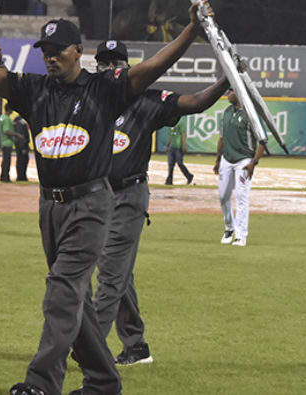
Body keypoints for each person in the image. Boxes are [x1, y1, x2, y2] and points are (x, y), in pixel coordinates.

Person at [0, 1, 212, 394]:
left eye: (57, 51)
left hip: (91, 205)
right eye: (45, 52)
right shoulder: (33, 91)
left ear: (78, 53)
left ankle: (41, 383)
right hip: (49, 208)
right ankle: (104, 382)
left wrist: (191, 30)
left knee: (61, 291)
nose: (50, 58)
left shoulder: (105, 90)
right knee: (77, 302)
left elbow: (153, 66)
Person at [89, 39, 231, 370]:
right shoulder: (90, 99)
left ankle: (89, 351)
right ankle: (135, 345)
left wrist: (226, 80)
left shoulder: (146, 101)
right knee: (119, 273)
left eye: (116, 63)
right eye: (103, 63)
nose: (109, 69)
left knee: (109, 274)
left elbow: (195, 102)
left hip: (128, 197)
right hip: (98, 197)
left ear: (126, 67)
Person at [214, 88, 266, 247]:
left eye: (230, 91)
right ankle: (229, 228)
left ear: (239, 93)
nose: (227, 94)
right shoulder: (226, 112)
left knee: (241, 198)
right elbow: (222, 138)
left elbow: (263, 142)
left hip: (244, 160)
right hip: (226, 159)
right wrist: (217, 160)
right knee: (223, 196)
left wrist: (254, 163)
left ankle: (241, 235)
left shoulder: (252, 115)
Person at [164, 117, 194, 185]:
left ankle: (189, 176)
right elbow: (170, 135)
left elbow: (183, 134)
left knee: (180, 163)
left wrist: (184, 145)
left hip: (178, 146)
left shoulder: (181, 122)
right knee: (170, 164)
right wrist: (168, 145)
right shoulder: (170, 124)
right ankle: (169, 180)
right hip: (172, 146)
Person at [0, 104, 23, 182]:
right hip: (8, 142)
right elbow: (7, 131)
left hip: (3, 141)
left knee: (5, 160)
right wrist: (17, 134)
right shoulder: (7, 119)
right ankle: (5, 177)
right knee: (7, 161)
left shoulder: (1, 117)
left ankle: (3, 176)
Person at [14, 112, 31, 182]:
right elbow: (21, 135)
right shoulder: (21, 122)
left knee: (21, 160)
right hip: (22, 145)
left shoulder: (16, 120)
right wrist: (23, 147)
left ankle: (21, 176)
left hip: (19, 144)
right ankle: (21, 177)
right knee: (22, 160)